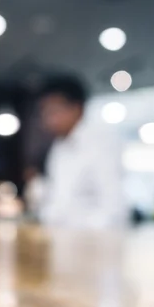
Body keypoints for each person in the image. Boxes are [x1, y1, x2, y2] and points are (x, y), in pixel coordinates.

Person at [33, 75, 126, 228]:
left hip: (90, 242)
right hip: (60, 239)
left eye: (53, 111)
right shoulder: (59, 147)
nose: (48, 120)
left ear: (77, 108)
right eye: (44, 113)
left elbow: (114, 210)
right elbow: (56, 201)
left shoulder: (101, 143)